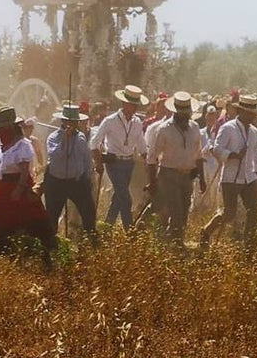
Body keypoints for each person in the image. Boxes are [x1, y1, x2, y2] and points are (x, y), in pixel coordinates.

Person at [0, 107, 56, 271]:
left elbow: (25, 171)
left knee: (34, 226)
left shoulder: (22, 146)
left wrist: (18, 190)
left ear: (11, 127)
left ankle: (46, 262)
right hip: (3, 191)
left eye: (2, 127)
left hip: (19, 190)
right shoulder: (1, 145)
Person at [201, 94, 257, 247]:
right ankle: (207, 231)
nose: (252, 116)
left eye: (253, 113)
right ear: (241, 111)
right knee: (229, 213)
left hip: (249, 176)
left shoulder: (254, 131)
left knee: (253, 210)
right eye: (249, 113)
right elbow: (216, 149)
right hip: (231, 177)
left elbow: (256, 154)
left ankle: (248, 243)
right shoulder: (228, 128)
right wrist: (232, 155)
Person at [145, 92, 204, 244]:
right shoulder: (164, 129)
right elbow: (152, 157)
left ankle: (169, 240)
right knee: (176, 212)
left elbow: (198, 154)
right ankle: (176, 245)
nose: (186, 115)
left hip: (188, 176)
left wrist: (202, 178)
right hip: (168, 175)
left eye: (187, 112)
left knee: (184, 212)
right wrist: (152, 182)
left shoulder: (195, 128)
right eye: (182, 113)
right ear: (176, 112)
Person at [91, 85, 149, 229]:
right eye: (132, 104)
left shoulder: (137, 122)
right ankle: (129, 230)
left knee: (118, 197)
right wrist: (98, 162)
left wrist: (148, 159)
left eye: (136, 104)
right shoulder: (110, 120)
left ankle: (107, 226)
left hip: (129, 163)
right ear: (124, 103)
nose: (135, 107)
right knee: (125, 197)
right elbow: (94, 143)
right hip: (113, 162)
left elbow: (141, 144)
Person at [42, 105, 97, 238]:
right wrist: (65, 140)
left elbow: (86, 158)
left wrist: (89, 176)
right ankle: (51, 245)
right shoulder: (53, 137)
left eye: (75, 122)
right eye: (71, 122)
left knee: (89, 213)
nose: (74, 125)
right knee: (52, 216)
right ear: (64, 122)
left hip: (77, 182)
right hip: (56, 182)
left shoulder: (81, 137)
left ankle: (89, 242)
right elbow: (55, 156)